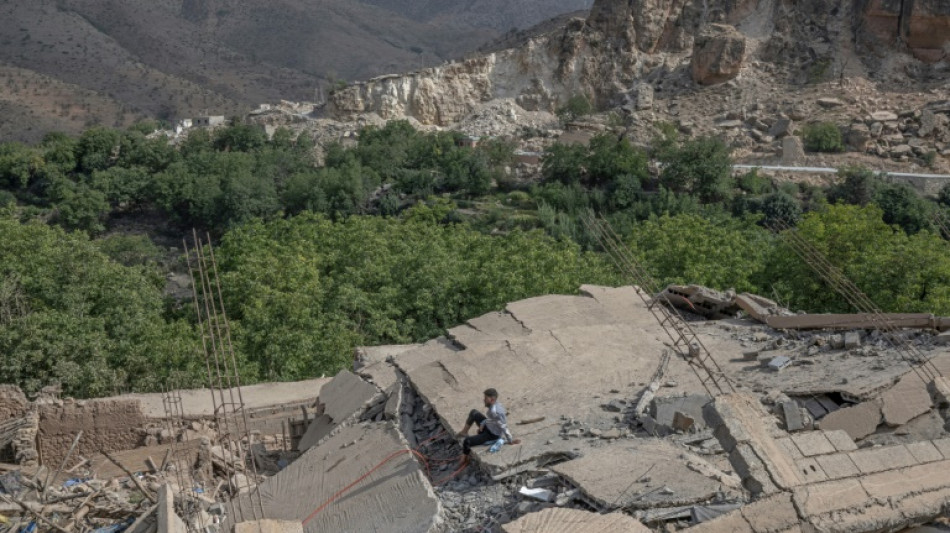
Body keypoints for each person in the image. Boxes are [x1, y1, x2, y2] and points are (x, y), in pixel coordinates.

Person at [457, 388, 521, 458]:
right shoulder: (494, 406)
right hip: (488, 428)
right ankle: (464, 432)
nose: (484, 400)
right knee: (474, 412)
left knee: (467, 441)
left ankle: (464, 458)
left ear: (492, 399)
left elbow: (503, 427)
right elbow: (492, 420)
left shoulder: (496, 412)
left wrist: (510, 440)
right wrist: (483, 423)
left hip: (491, 436)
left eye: (485, 398)